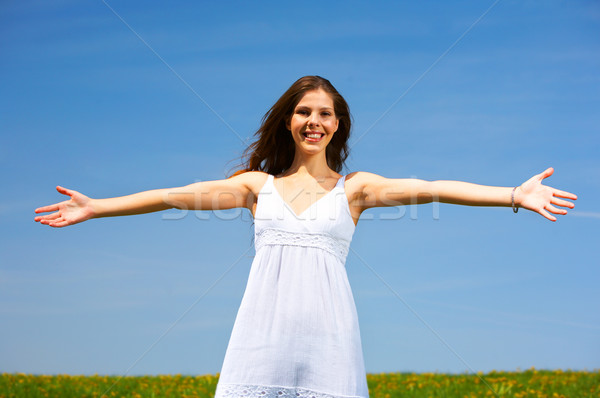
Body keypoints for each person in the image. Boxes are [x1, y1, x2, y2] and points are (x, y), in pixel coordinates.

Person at [34, 76, 577, 398]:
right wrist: (97, 207)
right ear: (288, 121)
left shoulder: (357, 189)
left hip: (329, 342)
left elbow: (432, 188)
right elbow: (176, 195)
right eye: (303, 112)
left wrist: (512, 194)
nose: (313, 121)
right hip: (260, 341)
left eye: (325, 114)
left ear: (338, 124)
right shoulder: (255, 186)